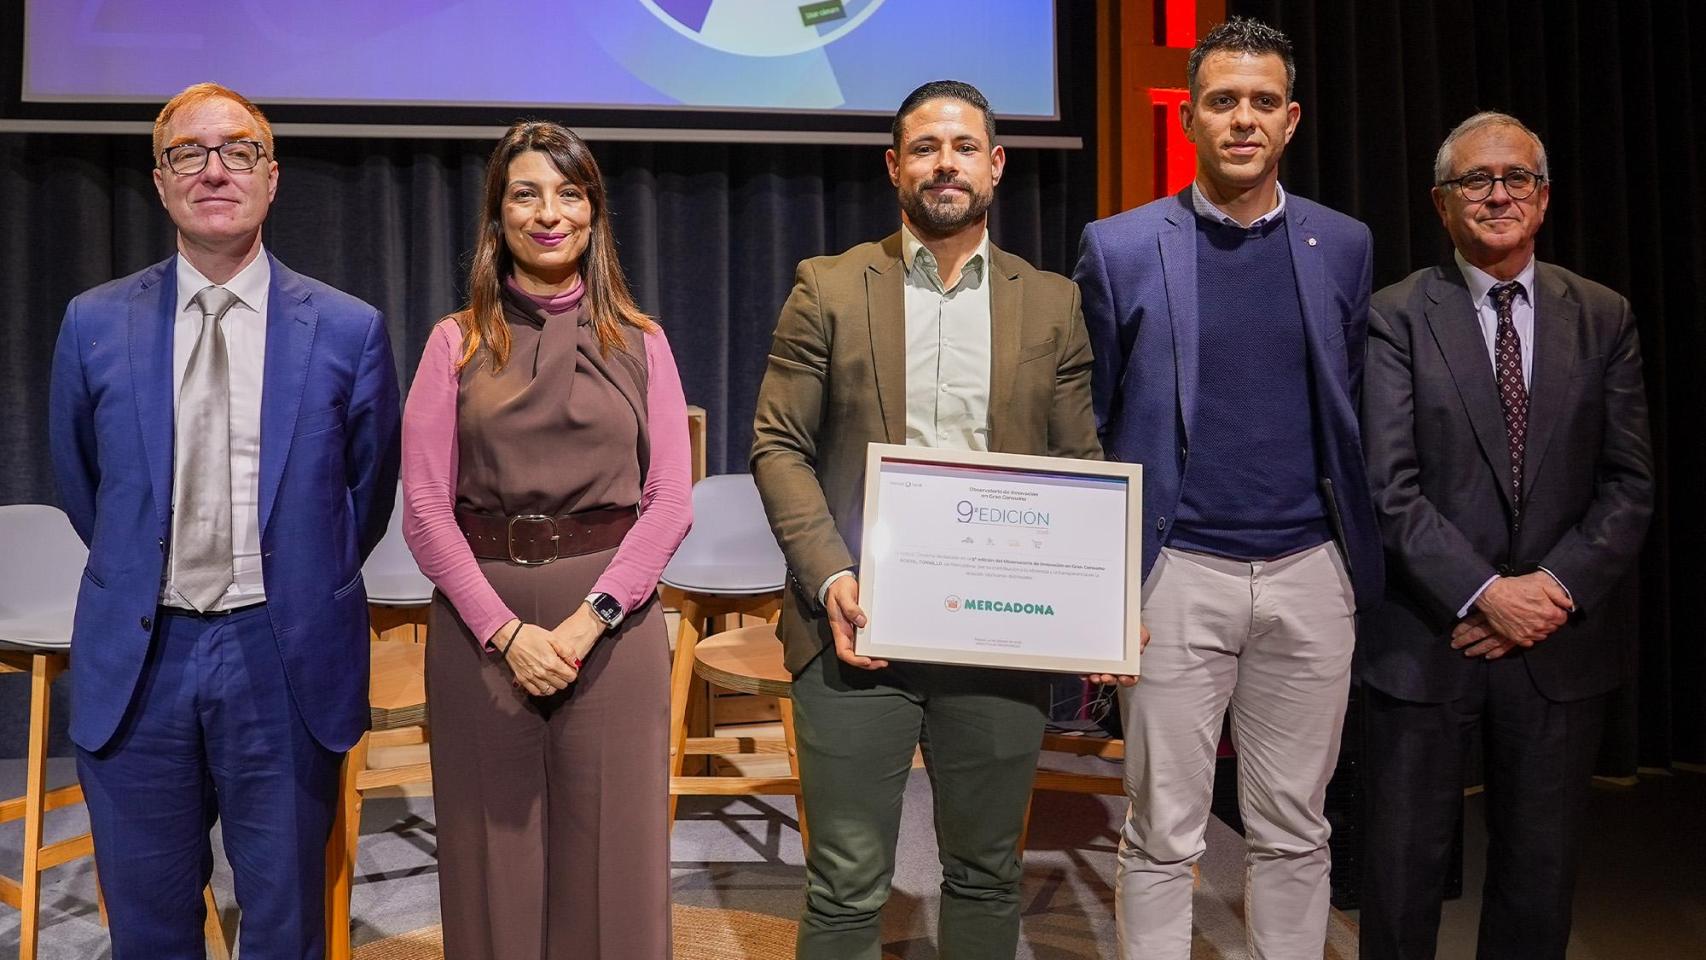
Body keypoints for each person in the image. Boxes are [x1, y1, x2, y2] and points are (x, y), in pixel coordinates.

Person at [750, 79, 1113, 960]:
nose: (943, 163)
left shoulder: (1051, 301)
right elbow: (778, 444)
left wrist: (1099, 610)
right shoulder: (829, 288)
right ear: (894, 166)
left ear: (995, 164)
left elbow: (1080, 471)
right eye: (923, 147)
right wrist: (833, 578)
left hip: (998, 636)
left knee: (988, 874)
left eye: (961, 147)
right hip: (855, 628)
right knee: (844, 883)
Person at [47, 82, 400, 957]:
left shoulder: (348, 331)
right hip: (142, 657)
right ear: (160, 182)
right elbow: (85, 486)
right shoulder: (92, 323)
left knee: (286, 926)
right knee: (149, 925)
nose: (214, 170)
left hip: (282, 659)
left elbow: (366, 491)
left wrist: (289, 576)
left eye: (238, 150)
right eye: (188, 154)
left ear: (271, 177)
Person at [1073, 17, 1385, 958]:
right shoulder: (1120, 246)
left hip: (1310, 573)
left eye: (1261, 102)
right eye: (1221, 101)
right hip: (1175, 578)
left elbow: (1353, 407)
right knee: (1164, 833)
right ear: (1190, 118)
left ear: (1290, 120)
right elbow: (1092, 420)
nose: (1241, 119)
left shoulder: (1346, 242)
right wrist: (1102, 587)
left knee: (1296, 830)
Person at [1357, 111, 1653, 960]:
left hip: (1559, 647)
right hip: (1426, 634)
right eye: (1475, 182)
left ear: (1544, 197)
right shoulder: (1396, 315)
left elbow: (1629, 484)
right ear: (1441, 205)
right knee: (1404, 874)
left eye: (1516, 178)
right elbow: (1389, 484)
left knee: (1539, 878)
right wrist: (1488, 593)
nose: (1497, 195)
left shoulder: (1604, 316)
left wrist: (1549, 593)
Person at [400, 120, 692, 960]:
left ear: (595, 215)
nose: (549, 213)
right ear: (498, 215)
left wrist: (590, 616)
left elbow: (669, 500)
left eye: (569, 194)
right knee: (492, 861)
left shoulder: (642, 341)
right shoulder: (454, 342)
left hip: (614, 623)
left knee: (618, 865)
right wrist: (505, 632)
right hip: (481, 625)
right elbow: (424, 509)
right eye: (525, 194)